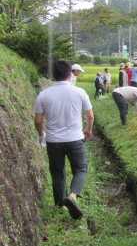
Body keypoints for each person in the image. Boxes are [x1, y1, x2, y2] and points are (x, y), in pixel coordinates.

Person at [34, 59, 93, 220]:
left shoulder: (43, 95)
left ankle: (60, 206)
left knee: (57, 172)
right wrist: (88, 129)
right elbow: (90, 115)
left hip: (53, 141)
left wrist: (42, 136)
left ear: (52, 75)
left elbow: (38, 121)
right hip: (75, 139)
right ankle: (73, 196)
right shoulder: (79, 92)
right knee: (80, 169)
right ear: (70, 74)